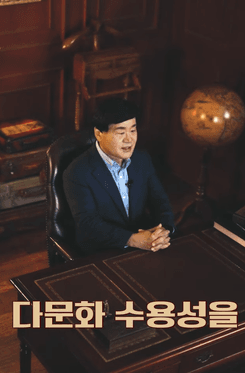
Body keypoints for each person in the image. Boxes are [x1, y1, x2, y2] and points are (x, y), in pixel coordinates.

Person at [63, 98, 176, 255]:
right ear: (98, 134)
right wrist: (132, 239)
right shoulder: (77, 171)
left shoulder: (142, 159)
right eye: (121, 132)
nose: (129, 139)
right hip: (102, 251)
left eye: (133, 131)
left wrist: (163, 231)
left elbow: (160, 202)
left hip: (145, 243)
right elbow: (88, 224)